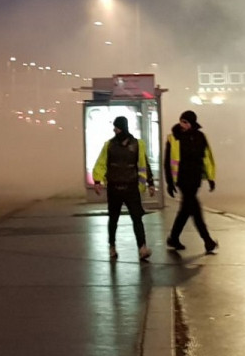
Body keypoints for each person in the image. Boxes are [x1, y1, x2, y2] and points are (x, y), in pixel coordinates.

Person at [92, 115, 157, 261]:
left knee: (137, 218)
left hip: (131, 187)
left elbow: (143, 164)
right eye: (115, 128)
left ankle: (142, 248)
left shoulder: (137, 144)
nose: (115, 130)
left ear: (123, 127)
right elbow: (101, 163)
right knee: (113, 219)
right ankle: (112, 246)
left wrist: (150, 182)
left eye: (117, 127)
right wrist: (97, 180)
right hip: (115, 188)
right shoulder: (108, 145)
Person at [164, 110, 218, 253]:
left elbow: (206, 158)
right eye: (181, 121)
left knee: (186, 209)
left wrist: (210, 178)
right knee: (194, 208)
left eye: (186, 122)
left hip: (195, 178)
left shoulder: (201, 137)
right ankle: (207, 240)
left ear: (192, 123)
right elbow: (167, 161)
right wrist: (169, 182)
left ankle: (173, 238)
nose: (182, 124)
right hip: (182, 179)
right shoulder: (173, 137)